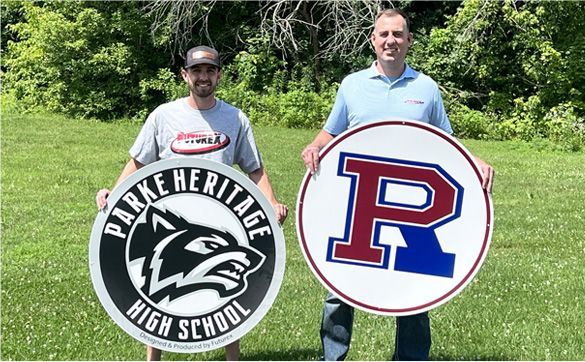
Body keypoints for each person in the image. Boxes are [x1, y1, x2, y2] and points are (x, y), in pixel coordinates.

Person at [301, 8, 494, 361]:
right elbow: (331, 132)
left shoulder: (426, 87)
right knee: (338, 288)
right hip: (361, 205)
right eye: (384, 34)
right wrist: (315, 147)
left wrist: (474, 161)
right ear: (373, 41)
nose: (391, 41)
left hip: (411, 207)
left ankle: (411, 358)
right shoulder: (352, 85)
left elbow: (446, 141)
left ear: (408, 41)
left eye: (398, 35)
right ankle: (333, 356)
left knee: (414, 291)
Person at [95, 45, 288, 361]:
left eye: (210, 71)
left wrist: (272, 202)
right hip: (175, 219)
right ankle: (152, 358)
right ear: (185, 75)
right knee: (156, 295)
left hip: (220, 217)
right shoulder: (164, 116)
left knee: (230, 293)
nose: (203, 77)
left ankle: (232, 359)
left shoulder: (235, 118)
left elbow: (254, 168)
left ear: (218, 75)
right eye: (197, 71)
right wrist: (113, 195)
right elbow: (139, 162)